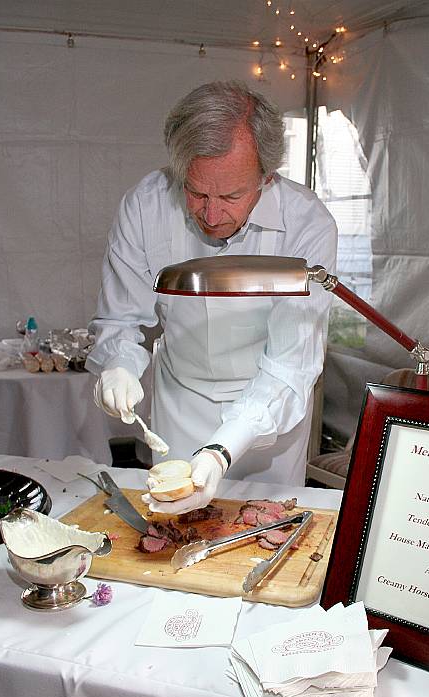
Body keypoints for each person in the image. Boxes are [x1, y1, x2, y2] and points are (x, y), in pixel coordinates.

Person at [86, 80, 337, 513]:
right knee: (172, 536)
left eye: (232, 195)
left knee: (267, 533)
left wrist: (223, 449)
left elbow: (291, 364)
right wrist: (119, 365)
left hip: (271, 419)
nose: (212, 214)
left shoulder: (308, 225)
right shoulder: (145, 206)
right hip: (180, 406)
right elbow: (121, 321)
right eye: (197, 192)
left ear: (268, 176)